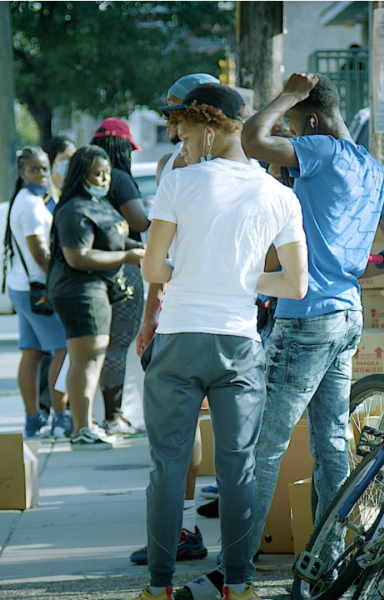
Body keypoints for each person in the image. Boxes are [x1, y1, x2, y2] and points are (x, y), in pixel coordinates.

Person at [176, 73, 384, 598]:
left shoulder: (320, 152)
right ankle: (325, 564)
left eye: (293, 122)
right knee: (332, 443)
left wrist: (284, 95)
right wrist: (356, 270)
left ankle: (234, 571)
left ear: (309, 120)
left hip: (304, 318)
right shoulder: (373, 170)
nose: (287, 134)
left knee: (265, 444)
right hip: (346, 318)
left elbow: (251, 138)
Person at [136, 82, 308, 600]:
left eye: (183, 130)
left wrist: (194, 272)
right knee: (238, 466)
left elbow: (151, 267)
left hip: (179, 340)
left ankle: (160, 586)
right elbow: (295, 284)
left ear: (210, 128)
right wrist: (241, 279)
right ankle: (239, 583)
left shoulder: (177, 183)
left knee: (167, 465)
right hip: (238, 345)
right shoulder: (280, 195)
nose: (176, 140)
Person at [131, 73, 219, 569]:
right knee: (193, 429)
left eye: (176, 113)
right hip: (213, 316)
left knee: (178, 431)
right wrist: (150, 315)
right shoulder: (238, 166)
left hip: (198, 316)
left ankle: (184, 530)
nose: (169, 122)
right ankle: (186, 528)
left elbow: (157, 256)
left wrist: (151, 316)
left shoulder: (183, 170)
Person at [48, 145, 145, 450]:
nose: (104, 179)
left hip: (98, 290)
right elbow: (78, 257)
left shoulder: (98, 203)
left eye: (106, 174)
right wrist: (127, 256)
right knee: (86, 360)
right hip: (80, 292)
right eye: (97, 174)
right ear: (81, 175)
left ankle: (87, 425)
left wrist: (145, 248)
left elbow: (115, 237)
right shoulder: (74, 208)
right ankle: (81, 427)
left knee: (94, 357)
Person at [2, 146, 70, 439]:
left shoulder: (28, 200)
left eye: (44, 168)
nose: (41, 175)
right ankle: (60, 417)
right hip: (38, 289)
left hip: (22, 287)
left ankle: (33, 419)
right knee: (63, 349)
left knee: (31, 352)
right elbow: (41, 254)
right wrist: (59, 280)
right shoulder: (30, 205)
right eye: (34, 170)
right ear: (21, 173)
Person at [91, 118, 149, 436]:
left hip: (91, 270)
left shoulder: (81, 178)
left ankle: (93, 416)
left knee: (95, 348)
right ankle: (113, 417)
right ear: (121, 147)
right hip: (124, 269)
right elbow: (139, 223)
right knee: (118, 346)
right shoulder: (120, 178)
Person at [45, 135, 77, 203]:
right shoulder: (45, 193)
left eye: (73, 158)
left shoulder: (78, 190)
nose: (70, 162)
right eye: (65, 158)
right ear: (52, 161)